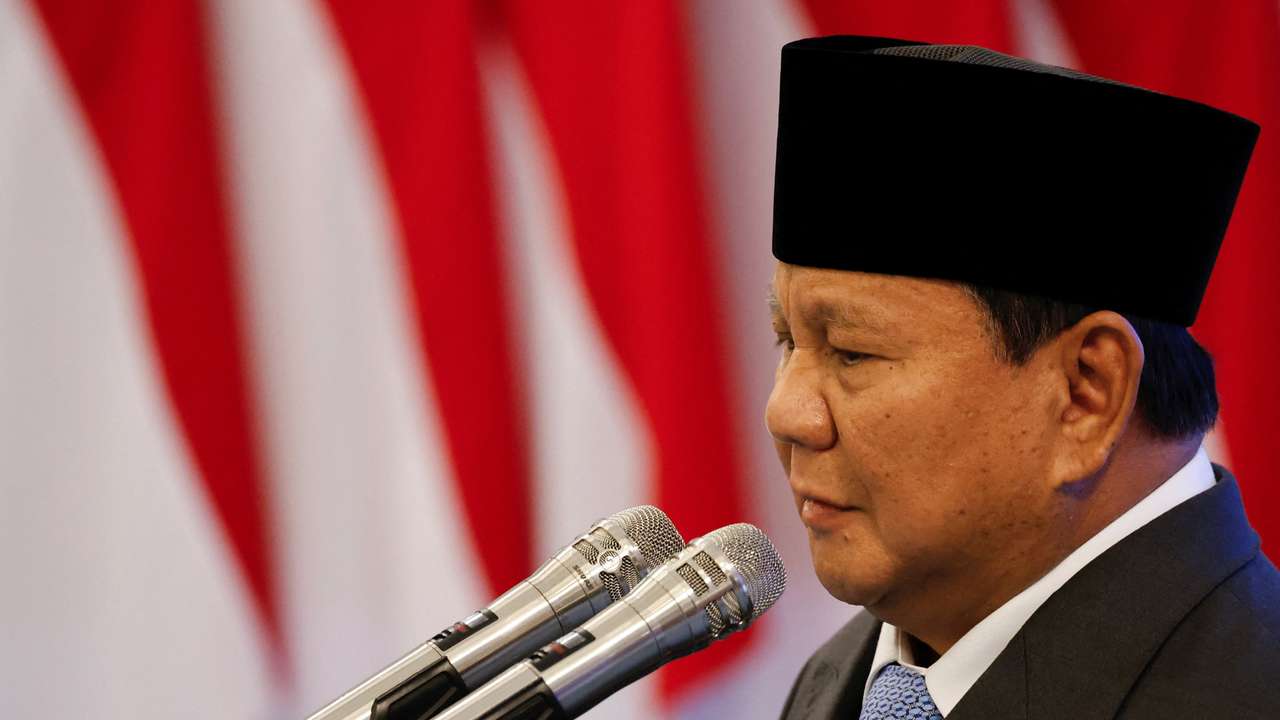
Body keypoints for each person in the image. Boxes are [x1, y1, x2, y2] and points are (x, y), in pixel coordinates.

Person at [769, 36, 1279, 719]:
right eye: (786, 339)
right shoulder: (846, 680)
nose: (787, 411)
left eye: (853, 353)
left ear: (1085, 394)